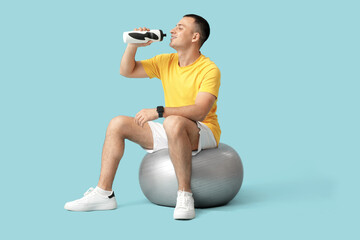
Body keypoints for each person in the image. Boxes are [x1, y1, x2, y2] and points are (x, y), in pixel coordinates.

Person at [64, 14, 221, 220]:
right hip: (174, 128)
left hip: (203, 131)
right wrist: (133, 44)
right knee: (118, 123)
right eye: (174, 26)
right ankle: (104, 194)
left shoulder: (209, 69)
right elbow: (126, 70)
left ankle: (184, 194)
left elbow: (200, 111)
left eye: (180, 28)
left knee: (172, 121)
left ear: (195, 37)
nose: (172, 30)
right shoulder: (166, 61)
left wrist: (159, 111)